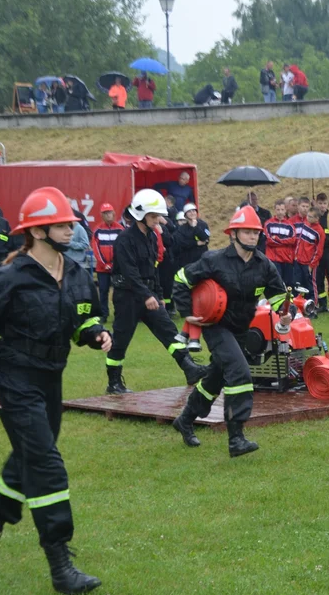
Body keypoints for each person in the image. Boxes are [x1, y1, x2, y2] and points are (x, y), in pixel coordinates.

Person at [0, 186, 110, 595]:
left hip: (50, 380)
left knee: (26, 463)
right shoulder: (8, 277)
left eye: (71, 222)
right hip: (14, 383)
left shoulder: (76, 273)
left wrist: (95, 334)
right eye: (62, 224)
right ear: (38, 231)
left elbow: (80, 320)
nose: (71, 229)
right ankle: (61, 566)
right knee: (46, 465)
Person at [171, 206, 291, 456]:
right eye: (247, 232)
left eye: (256, 232)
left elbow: (278, 295)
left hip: (240, 329)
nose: (252, 236)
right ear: (233, 234)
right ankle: (236, 438)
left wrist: (284, 312)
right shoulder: (214, 260)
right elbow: (182, 279)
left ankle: (185, 419)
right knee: (240, 373)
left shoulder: (264, 265)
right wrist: (186, 311)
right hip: (215, 327)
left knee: (215, 378)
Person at [105, 189, 207, 394]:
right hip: (127, 296)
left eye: (158, 216)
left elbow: (154, 268)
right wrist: (147, 296)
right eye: (153, 216)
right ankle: (114, 383)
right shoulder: (125, 239)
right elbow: (130, 272)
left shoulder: (151, 236)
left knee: (169, 331)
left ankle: (190, 369)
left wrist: (159, 295)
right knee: (121, 339)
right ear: (141, 216)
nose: (158, 220)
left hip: (148, 294)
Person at [91, 203, 122, 321]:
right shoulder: (97, 230)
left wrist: (115, 263)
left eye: (109, 212)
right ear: (101, 215)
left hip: (116, 267)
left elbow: (121, 248)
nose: (108, 215)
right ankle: (104, 314)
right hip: (101, 268)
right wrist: (105, 264)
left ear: (113, 213)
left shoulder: (120, 229)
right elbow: (96, 249)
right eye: (105, 213)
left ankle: (118, 313)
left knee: (118, 291)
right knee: (103, 291)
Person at [293, 207, 326, 301]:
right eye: (308, 216)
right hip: (298, 260)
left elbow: (319, 251)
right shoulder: (306, 224)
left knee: (311, 286)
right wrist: (296, 255)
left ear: (317, 218)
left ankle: (313, 306)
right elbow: (299, 242)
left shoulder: (320, 232)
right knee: (298, 285)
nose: (308, 218)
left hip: (309, 263)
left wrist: (311, 265)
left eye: (311, 217)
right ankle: (300, 305)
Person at [264, 200, 295, 289]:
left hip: (286, 258)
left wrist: (277, 239)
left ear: (285, 210)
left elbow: (292, 240)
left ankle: (288, 302)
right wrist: (284, 242)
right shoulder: (268, 224)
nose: (280, 212)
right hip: (274, 258)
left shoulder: (290, 225)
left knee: (288, 284)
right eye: (278, 210)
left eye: (282, 209)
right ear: (275, 210)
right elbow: (269, 240)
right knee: (276, 282)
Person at [314, 193, 329, 312]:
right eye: (320, 203)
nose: (322, 206)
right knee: (318, 278)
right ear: (316, 203)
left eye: (324, 203)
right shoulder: (314, 217)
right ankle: (322, 304)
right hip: (318, 252)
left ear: (327, 204)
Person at [178, 203, 210, 268]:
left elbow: (206, 238)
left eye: (193, 211)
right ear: (185, 215)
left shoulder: (203, 224)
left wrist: (195, 227)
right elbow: (182, 243)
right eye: (189, 211)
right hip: (188, 259)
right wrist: (196, 243)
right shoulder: (182, 228)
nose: (192, 213)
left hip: (202, 257)